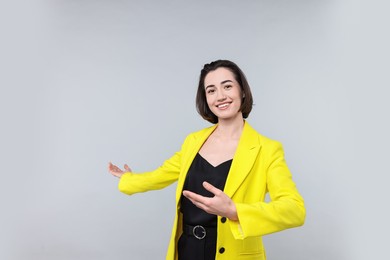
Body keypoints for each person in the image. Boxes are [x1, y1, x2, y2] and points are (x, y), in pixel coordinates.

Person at [108, 59, 305, 260]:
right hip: (187, 250)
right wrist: (128, 180)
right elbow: (160, 175)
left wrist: (235, 211)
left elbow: (295, 209)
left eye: (227, 86)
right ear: (206, 98)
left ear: (242, 91)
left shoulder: (267, 149)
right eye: (211, 90)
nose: (220, 96)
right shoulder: (193, 141)